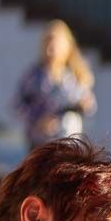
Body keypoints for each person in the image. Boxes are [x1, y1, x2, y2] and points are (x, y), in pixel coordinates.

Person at [13, 20, 97, 150]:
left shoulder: (75, 76)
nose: (50, 50)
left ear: (67, 47)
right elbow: (19, 104)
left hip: (69, 142)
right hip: (41, 144)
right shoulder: (34, 76)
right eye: (47, 44)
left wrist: (84, 106)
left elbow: (89, 107)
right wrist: (38, 120)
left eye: (55, 45)